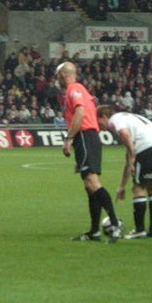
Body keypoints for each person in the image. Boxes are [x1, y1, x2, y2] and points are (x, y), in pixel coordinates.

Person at [57, 62, 120, 242]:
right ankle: (94, 231)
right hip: (89, 138)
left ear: (63, 75)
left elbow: (80, 112)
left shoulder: (73, 88)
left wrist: (69, 138)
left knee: (92, 183)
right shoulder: (82, 89)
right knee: (89, 185)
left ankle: (115, 224)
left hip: (84, 136)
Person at [97, 106, 152, 239]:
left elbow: (125, 136)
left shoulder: (114, 120)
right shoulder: (129, 118)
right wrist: (121, 186)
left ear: (103, 116)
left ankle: (139, 230)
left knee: (138, 188)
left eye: (98, 122)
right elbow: (128, 156)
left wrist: (132, 157)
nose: (99, 126)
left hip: (147, 147)